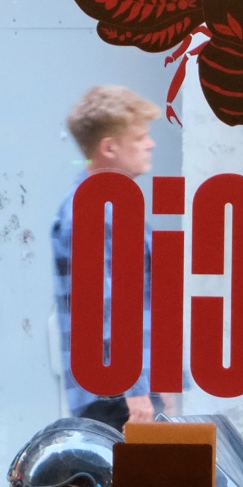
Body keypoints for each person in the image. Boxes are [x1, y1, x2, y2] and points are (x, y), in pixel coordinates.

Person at [51, 85, 166, 430]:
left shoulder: (113, 207)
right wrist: (136, 389)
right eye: (140, 137)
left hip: (129, 392)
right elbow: (104, 308)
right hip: (118, 398)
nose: (151, 144)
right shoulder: (93, 211)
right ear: (109, 147)